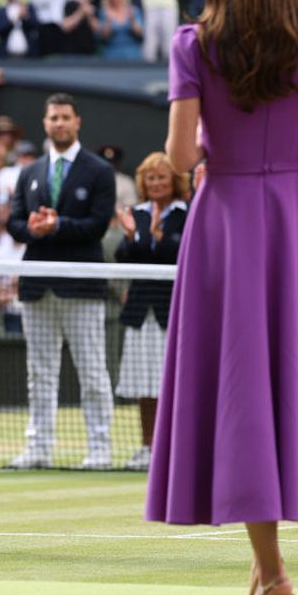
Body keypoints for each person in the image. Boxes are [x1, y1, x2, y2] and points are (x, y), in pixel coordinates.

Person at [149, 0, 298, 595]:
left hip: (225, 216)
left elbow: (178, 160)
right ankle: (264, 569)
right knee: (267, 384)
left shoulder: (195, 46)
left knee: (237, 386)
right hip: (289, 217)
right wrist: (295, 143)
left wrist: (215, 136)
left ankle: (271, 573)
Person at [6, 92, 116, 470]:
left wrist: (59, 225)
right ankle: (39, 447)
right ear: (45, 123)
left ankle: (100, 448)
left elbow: (98, 225)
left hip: (83, 286)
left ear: (77, 121)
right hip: (37, 285)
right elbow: (15, 223)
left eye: (66, 117)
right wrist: (35, 228)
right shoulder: (29, 172)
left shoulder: (99, 171)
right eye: (54, 118)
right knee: (39, 371)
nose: (60, 123)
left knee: (92, 369)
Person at [114, 152, 187, 472]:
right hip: (141, 310)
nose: (156, 183)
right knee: (145, 386)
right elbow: (122, 257)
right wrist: (132, 236)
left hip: (177, 311)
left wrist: (157, 236)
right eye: (151, 178)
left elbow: (183, 251)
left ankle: (179, 447)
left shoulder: (187, 213)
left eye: (162, 177)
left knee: (178, 384)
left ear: (174, 180)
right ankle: (148, 447)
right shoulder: (137, 214)